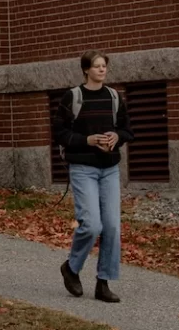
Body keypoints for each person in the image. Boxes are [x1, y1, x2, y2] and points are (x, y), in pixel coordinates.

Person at [53, 51, 131, 305]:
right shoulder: (72, 97)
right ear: (86, 69)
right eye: (97, 66)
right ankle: (72, 268)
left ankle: (103, 283)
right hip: (83, 168)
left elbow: (126, 129)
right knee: (92, 225)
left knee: (111, 227)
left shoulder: (113, 97)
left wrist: (116, 137)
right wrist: (87, 140)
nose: (102, 70)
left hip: (109, 169)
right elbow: (60, 133)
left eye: (104, 66)